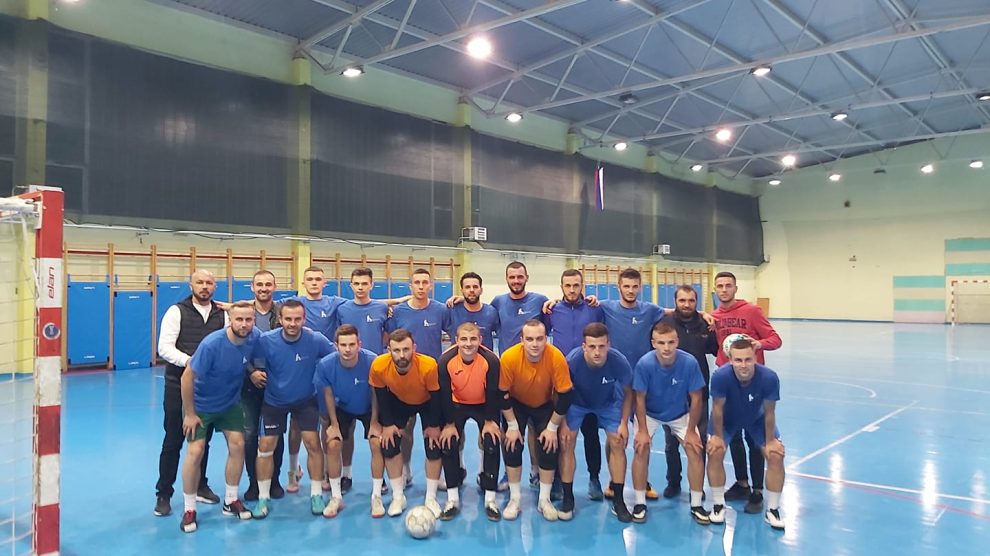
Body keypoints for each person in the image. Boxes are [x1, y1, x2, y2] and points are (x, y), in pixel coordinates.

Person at [177, 301, 260, 533]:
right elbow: (186, 378)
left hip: (229, 404)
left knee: (238, 445)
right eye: (239, 319)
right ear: (230, 321)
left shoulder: (254, 337)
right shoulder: (212, 344)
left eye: (248, 319)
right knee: (196, 451)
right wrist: (190, 414)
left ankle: (231, 500)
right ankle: (189, 509)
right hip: (201, 405)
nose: (244, 324)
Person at [250, 299, 335, 519]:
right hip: (274, 400)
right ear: (280, 319)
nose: (292, 323)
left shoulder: (315, 339)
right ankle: (263, 497)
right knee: (265, 446)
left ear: (304, 319)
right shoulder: (266, 340)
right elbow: (246, 357)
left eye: (297, 319)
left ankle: (316, 494)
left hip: (306, 400)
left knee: (313, 444)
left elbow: (335, 357)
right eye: (288, 319)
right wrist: (252, 372)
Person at [154, 269, 227, 517]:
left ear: (215, 287)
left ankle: (200, 486)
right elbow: (164, 348)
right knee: (173, 440)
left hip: (208, 389)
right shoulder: (176, 311)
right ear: (191, 285)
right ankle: (164, 493)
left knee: (203, 439)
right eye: (200, 282)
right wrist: (192, 362)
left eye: (209, 283)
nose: (204, 286)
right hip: (177, 386)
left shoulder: (222, 314)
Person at [711, 271, 782, 513]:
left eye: (728, 285)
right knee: (734, 437)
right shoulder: (714, 316)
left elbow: (775, 339)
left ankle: (757, 490)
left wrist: (759, 344)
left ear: (735, 288)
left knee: (754, 437)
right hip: (727, 382)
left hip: (752, 383)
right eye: (720, 286)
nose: (724, 290)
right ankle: (741, 483)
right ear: (715, 290)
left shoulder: (752, 311)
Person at [631, 323, 708, 525]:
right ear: (653, 343)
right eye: (661, 343)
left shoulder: (689, 362)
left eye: (671, 342)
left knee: (695, 450)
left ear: (677, 342)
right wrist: (642, 431)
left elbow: (697, 398)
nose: (666, 347)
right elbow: (639, 399)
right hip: (650, 413)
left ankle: (696, 504)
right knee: (641, 448)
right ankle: (639, 503)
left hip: (679, 413)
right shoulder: (644, 364)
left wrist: (691, 431)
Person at [706, 338, 786, 530]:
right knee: (715, 452)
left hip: (757, 419)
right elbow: (717, 409)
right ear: (730, 360)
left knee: (776, 455)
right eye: (738, 360)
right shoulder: (720, 377)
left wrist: (770, 441)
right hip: (728, 419)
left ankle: (773, 510)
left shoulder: (769, 377)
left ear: (755, 358)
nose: (743, 365)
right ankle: (718, 505)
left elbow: (769, 412)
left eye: (748, 359)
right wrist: (717, 437)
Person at [499, 320, 573, 521]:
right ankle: (515, 499)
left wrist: (552, 428)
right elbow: (502, 394)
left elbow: (565, 396)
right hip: (516, 403)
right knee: (512, 444)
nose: (534, 344)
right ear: (521, 340)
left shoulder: (555, 357)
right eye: (529, 339)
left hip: (543, 403)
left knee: (549, 445)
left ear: (546, 339)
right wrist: (512, 426)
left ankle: (544, 499)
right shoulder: (509, 358)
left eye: (539, 339)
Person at [558, 323, 633, 523]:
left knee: (618, 442)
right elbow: (560, 392)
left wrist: (624, 423)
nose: (597, 352)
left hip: (607, 404)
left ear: (609, 344)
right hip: (576, 403)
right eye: (592, 347)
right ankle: (568, 497)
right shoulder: (572, 362)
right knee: (566, 442)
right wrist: (563, 423)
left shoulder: (619, 361)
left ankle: (618, 499)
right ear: (584, 346)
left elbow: (628, 393)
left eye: (601, 346)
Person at [282, 266, 345, 494]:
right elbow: (259, 303)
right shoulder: (293, 303)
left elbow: (369, 302)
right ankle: (293, 469)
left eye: (319, 279)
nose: (314, 282)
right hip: (300, 369)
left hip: (325, 371)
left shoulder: (334, 302)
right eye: (310, 279)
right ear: (304, 282)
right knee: (296, 424)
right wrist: (227, 306)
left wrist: (402, 300)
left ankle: (327, 469)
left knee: (325, 421)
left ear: (325, 282)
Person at [385, 268, 450, 486]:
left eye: (425, 282)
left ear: (431, 285)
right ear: (410, 286)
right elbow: (390, 339)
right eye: (417, 283)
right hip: (405, 380)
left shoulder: (441, 310)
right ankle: (405, 470)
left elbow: (456, 334)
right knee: (406, 430)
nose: (421, 287)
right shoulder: (399, 312)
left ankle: (438, 474)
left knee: (434, 429)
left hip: (432, 381)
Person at [370, 329, 444, 518]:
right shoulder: (379, 366)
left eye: (406, 349)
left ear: (414, 348)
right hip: (399, 402)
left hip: (427, 402)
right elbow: (381, 396)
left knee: (434, 446)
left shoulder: (428, 366)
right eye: (396, 350)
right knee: (389, 444)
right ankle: (398, 496)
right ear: (389, 350)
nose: (402, 355)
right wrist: (387, 425)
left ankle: (431, 497)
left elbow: (436, 397)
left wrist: (434, 426)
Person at [315, 324, 386, 518]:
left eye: (352, 345)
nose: (347, 349)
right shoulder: (326, 365)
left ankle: (376, 495)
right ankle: (336, 496)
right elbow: (328, 395)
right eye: (343, 345)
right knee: (333, 443)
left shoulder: (372, 361)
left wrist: (374, 422)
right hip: (343, 407)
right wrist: (334, 424)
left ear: (359, 344)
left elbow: (376, 393)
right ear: (336, 345)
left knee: (376, 442)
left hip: (369, 407)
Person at [548, 269, 606, 500]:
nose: (572, 290)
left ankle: (594, 478)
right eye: (568, 285)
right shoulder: (551, 310)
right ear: (561, 286)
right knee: (558, 433)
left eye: (576, 285)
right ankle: (556, 480)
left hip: (588, 380)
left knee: (591, 433)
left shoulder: (595, 309)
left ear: (582, 286)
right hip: (560, 381)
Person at [436, 323, 503, 521]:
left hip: (484, 404)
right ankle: (452, 499)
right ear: (456, 341)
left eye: (473, 339)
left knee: (492, 440)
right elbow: (444, 394)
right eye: (464, 339)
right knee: (448, 442)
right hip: (457, 404)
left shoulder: (491, 360)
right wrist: (449, 424)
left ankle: (490, 498)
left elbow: (493, 392)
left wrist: (490, 421)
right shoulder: (445, 361)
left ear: (480, 340)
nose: (468, 344)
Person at [658, 285, 718, 499]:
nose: (686, 304)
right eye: (682, 300)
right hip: (671, 393)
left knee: (698, 440)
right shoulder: (664, 323)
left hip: (698, 392)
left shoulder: (705, 324)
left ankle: (697, 487)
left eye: (691, 301)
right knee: (671, 442)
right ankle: (673, 482)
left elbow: (715, 350)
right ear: (675, 301)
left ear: (696, 302)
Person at [333, 267, 389, 494]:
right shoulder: (342, 309)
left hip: (374, 376)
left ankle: (380, 479)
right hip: (346, 376)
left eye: (364, 283)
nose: (360, 287)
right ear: (351, 285)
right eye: (356, 283)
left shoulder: (381, 308)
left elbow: (387, 334)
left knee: (376, 434)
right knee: (346, 434)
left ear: (372, 285)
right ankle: (346, 475)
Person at [242, 270, 285, 502]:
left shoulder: (282, 313)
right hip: (248, 383)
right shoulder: (244, 314)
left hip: (276, 384)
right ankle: (253, 482)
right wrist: (251, 372)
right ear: (252, 287)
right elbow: (237, 346)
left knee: (275, 433)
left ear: (274, 287)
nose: (264, 288)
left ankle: (274, 480)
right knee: (250, 434)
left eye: (268, 284)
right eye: (259, 284)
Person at [490, 261, 549, 351]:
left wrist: (556, 301)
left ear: (527, 278)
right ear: (506, 279)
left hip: (534, 357)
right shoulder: (498, 302)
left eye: (520, 277)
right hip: (507, 358)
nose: (516, 281)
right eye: (512, 277)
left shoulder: (540, 301)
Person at [447, 272, 499, 351]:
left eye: (475, 287)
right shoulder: (452, 310)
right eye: (467, 287)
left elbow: (502, 334)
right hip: (458, 358)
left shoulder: (491, 312)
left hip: (484, 358)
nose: (471, 290)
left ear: (481, 290)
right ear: (462, 290)